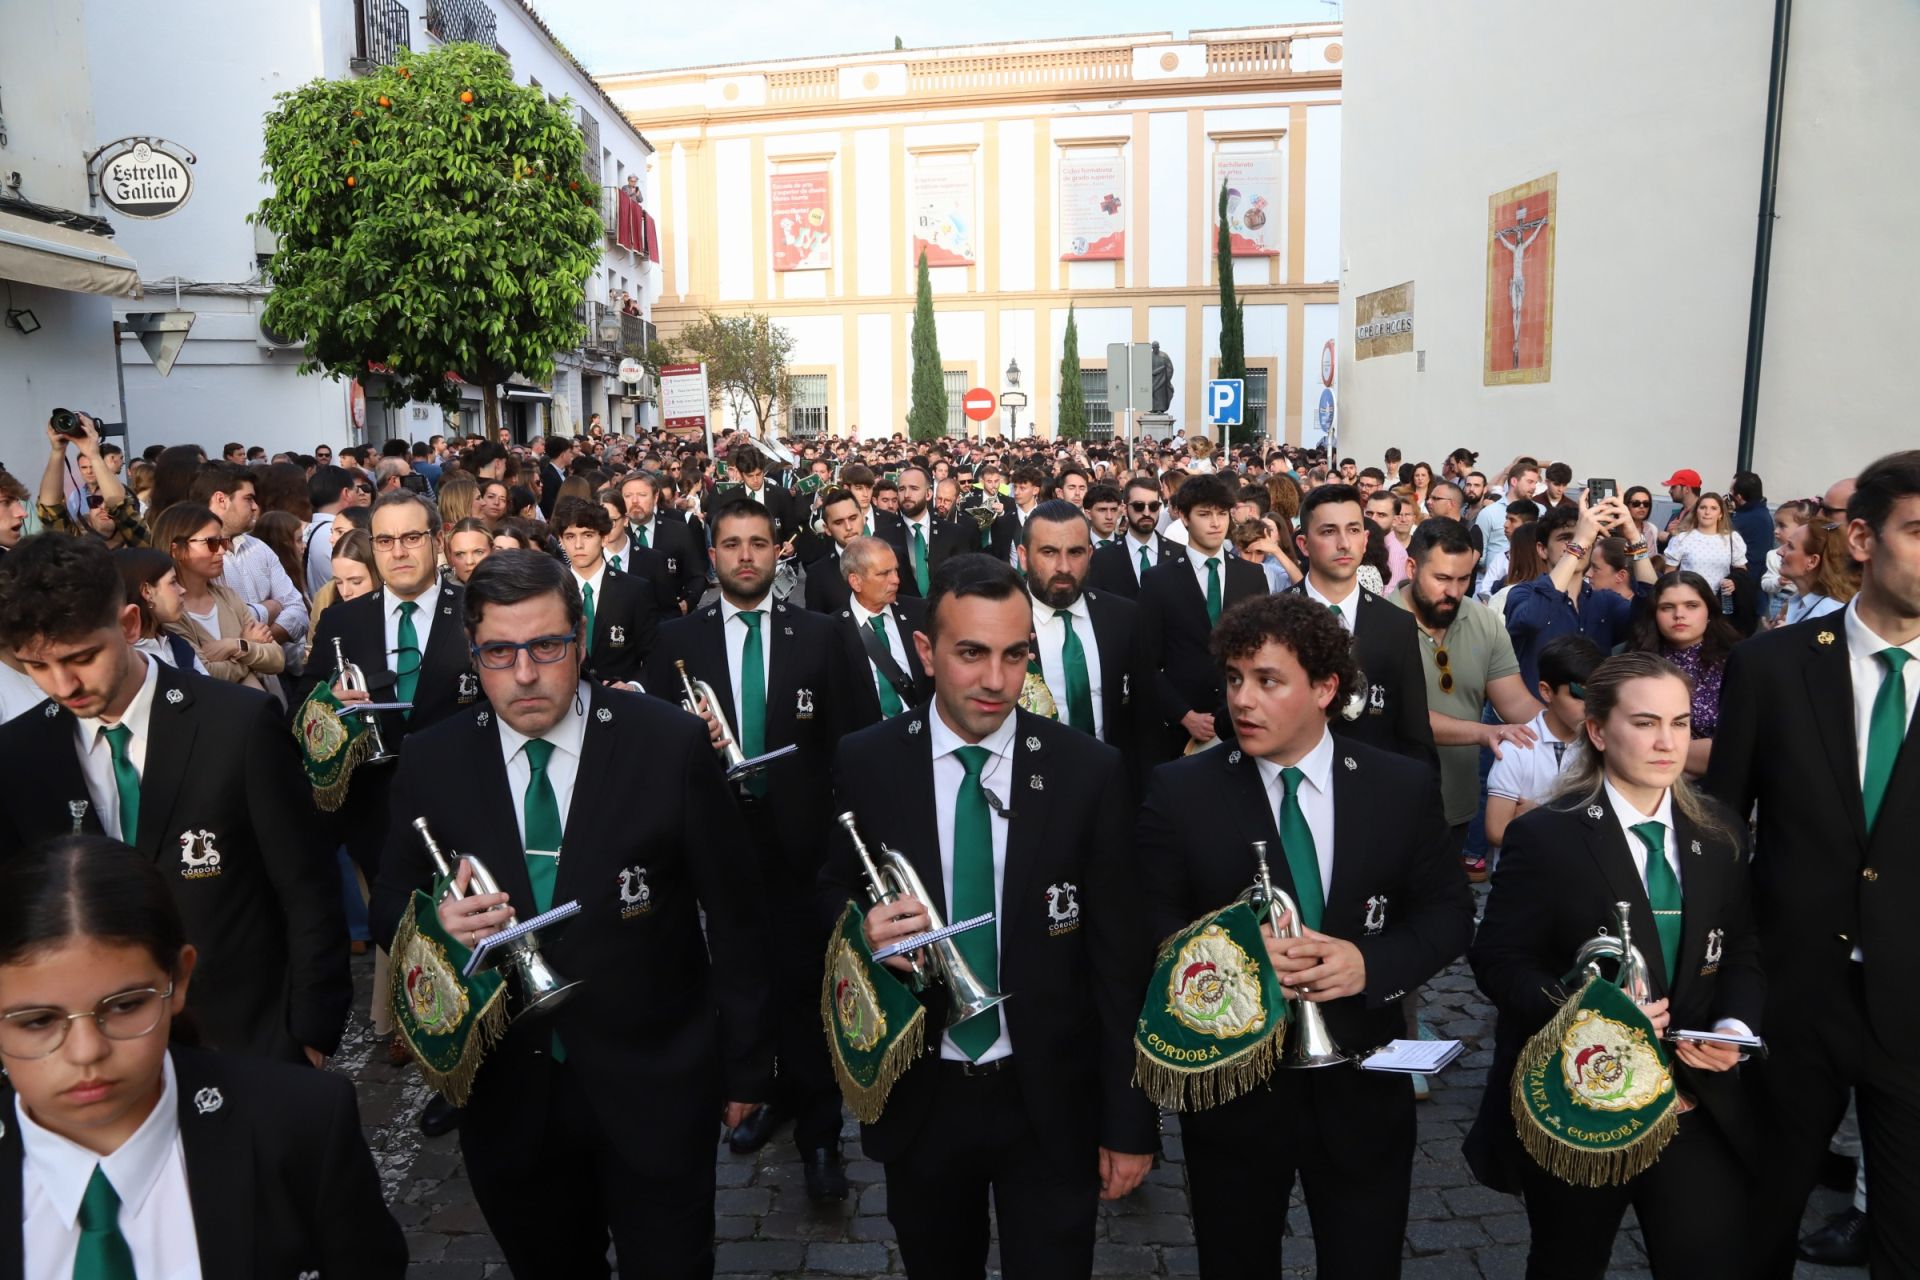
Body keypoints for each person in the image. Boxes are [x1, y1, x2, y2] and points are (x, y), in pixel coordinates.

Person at [371, 551, 771, 1276]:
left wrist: (746, 1067)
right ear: (473, 650)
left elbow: (739, 912)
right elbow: (390, 904)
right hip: (508, 1098)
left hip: (656, 1086)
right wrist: (433, 924)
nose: (524, 673)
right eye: (500, 651)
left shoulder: (667, 743)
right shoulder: (432, 759)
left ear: (579, 640)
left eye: (546, 646)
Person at [822, 553, 1156, 1278]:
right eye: (971, 653)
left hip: (1050, 1098)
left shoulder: (1088, 770)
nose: (996, 680)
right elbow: (829, 891)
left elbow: (1120, 958)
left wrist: (1131, 1119)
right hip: (924, 1094)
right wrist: (859, 930)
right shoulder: (867, 760)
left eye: (1014, 654)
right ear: (925, 652)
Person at [1136, 593, 1473, 1278]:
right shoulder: (1180, 790)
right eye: (1233, 679)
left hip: (1364, 1089)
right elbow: (1146, 919)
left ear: (1325, 688)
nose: (1242, 700)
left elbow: (1448, 916)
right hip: (1233, 1094)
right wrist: (1229, 958)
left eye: (1267, 680)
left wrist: (1368, 964)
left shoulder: (1399, 786)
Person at [0, 535, 348, 1064]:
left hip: (244, 1038)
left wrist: (311, 1033)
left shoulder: (237, 725)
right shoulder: (18, 754)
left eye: (82, 657)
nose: (63, 684)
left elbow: (307, 886)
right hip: (93, 1055)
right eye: (36, 667)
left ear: (130, 626)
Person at [1467, 652, 1760, 1277]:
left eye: (1680, 724)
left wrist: (1733, 1028)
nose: (1666, 741)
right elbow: (1497, 959)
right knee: (1569, 1259)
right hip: (1582, 1098)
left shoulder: (1721, 833)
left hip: (1690, 1097)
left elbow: (1742, 950)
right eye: (1646, 722)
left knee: (1706, 1258)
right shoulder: (1547, 835)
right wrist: (1588, 1011)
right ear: (1599, 732)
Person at [0, 835, 405, 1278]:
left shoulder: (301, 1125)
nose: (86, 1052)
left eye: (125, 1006)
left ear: (179, 978)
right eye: (38, 1021)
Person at [1707, 451, 1920, 1278]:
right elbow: (1723, 829)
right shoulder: (1773, 666)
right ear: (1862, 537)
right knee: (1761, 1219)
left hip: (1911, 1009)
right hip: (1794, 996)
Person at [643, 498, 855, 1199]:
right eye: (731, 543)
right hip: (714, 842)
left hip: (803, 845)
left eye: (757, 543)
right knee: (738, 979)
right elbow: (649, 745)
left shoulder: (823, 634)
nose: (744, 555)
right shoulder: (675, 638)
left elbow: (853, 744)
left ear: (778, 551)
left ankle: (822, 1134)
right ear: (712, 553)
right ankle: (762, 1094)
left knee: (807, 987)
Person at [1392, 518, 1543, 875]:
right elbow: (1404, 716)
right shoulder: (1379, 622)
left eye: (1464, 579)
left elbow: (1515, 703)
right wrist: (1485, 732)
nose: (1454, 592)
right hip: (1392, 803)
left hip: (1456, 806)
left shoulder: (1484, 620)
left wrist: (1568, 726)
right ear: (1412, 568)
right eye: (1442, 579)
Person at [1286, 483, 1437, 766]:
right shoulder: (1273, 620)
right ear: (1304, 545)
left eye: (1353, 530)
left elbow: (1416, 735)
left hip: (1372, 792)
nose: (1344, 543)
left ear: (1366, 540)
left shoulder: (1397, 624)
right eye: (1329, 531)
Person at [1019, 499, 1155, 787]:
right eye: (1049, 552)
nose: (1064, 566)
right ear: (1023, 556)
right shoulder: (1004, 623)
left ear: (1090, 554)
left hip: (1112, 789)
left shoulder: (1123, 616)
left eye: (1076, 552)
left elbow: (1144, 718)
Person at [1138, 476, 1268, 757]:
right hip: (1179, 730)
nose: (1215, 523)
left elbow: (1263, 652)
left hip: (1243, 721)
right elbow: (1146, 662)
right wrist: (1184, 715)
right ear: (1184, 517)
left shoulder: (1252, 576)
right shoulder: (1158, 580)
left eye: (1222, 514)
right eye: (1205, 514)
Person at [1504, 494, 1658, 695]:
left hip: (1590, 719)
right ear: (1542, 550)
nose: (1579, 544)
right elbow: (1534, 618)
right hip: (1534, 719)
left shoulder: (1605, 601)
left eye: (1585, 538)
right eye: (1565, 538)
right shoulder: (1522, 594)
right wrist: (1579, 542)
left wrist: (1635, 539)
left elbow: (1654, 609)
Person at [1484, 634, 1603, 853]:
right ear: (1546, 691)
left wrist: (1541, 815)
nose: (1590, 707)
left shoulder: (1602, 746)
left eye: (1597, 696)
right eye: (1578, 696)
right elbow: (1497, 829)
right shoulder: (1517, 748)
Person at [149, 503, 285, 693]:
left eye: (222, 542)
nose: (222, 551)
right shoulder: (170, 611)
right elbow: (205, 672)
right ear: (177, 550)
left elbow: (277, 658)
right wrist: (249, 653)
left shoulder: (228, 597)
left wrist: (234, 646)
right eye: (211, 543)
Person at [1629, 571, 1739, 776]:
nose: (1679, 614)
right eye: (1667, 607)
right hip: (1652, 780)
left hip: (1724, 782)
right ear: (1654, 614)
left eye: (1691, 606)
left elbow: (1745, 743)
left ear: (1709, 613)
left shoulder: (1736, 661)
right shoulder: (1635, 664)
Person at [552, 497, 664, 683]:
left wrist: (634, 686)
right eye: (570, 537)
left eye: (588, 535)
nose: (578, 545)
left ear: (604, 538)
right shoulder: (551, 592)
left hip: (623, 703)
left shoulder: (635, 590)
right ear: (561, 542)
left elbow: (655, 655)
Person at [835, 534, 930, 727]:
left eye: (896, 570)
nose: (896, 580)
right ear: (855, 581)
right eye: (883, 573)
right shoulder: (832, 631)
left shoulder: (920, 613)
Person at [34, 414, 148, 550]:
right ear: (88, 513)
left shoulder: (139, 546)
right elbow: (50, 511)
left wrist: (94, 454)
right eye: (95, 501)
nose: (103, 508)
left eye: (109, 505)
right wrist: (57, 450)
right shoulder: (75, 550)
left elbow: (121, 507)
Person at [1087, 475, 1189, 600]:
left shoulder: (1179, 553)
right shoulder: (1102, 557)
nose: (1147, 513)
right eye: (1138, 506)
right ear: (1124, 509)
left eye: (1153, 506)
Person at [112, 548, 209, 677]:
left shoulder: (178, 646)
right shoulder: (124, 658)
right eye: (173, 582)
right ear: (147, 592)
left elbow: (209, 692)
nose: (182, 590)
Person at [619, 470, 706, 611]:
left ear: (655, 497)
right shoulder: (615, 534)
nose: (634, 501)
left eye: (642, 495)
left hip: (670, 620)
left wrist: (687, 603)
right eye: (628, 496)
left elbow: (697, 575)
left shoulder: (678, 530)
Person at [887, 465, 971, 599]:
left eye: (914, 488)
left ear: (928, 494)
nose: (907, 495)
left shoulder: (954, 533)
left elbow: (964, 582)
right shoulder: (884, 537)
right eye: (902, 489)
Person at [1663, 492, 1746, 618]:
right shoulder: (1682, 539)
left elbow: (1742, 571)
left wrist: (1734, 582)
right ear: (1696, 511)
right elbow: (1669, 574)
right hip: (1688, 600)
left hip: (1720, 602)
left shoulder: (1732, 538)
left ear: (1721, 514)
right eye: (1703, 508)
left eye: (1713, 508)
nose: (1707, 512)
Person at [1775, 516, 1856, 625]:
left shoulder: (1827, 613)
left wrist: (1784, 638)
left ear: (1812, 562)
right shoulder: (1800, 601)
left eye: (1790, 546)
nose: (1779, 551)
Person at [445, 516, 494, 586]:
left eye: (478, 552)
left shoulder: (510, 590)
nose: (469, 561)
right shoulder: (441, 594)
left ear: (492, 551)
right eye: (460, 554)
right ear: (451, 557)